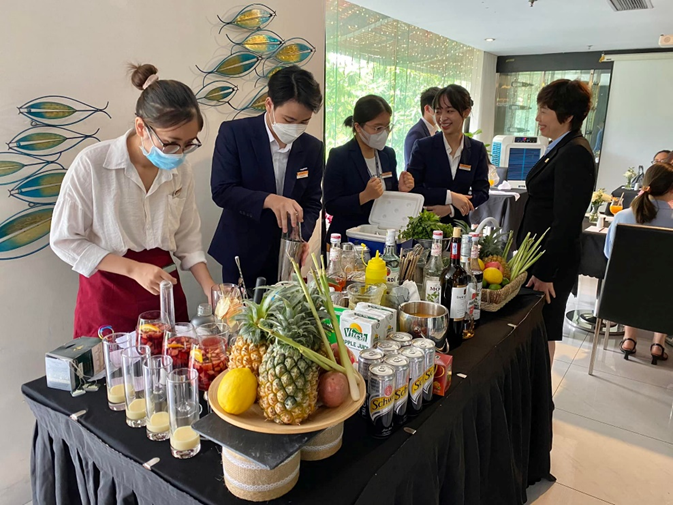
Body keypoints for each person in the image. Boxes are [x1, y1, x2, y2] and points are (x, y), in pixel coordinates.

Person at [50, 64, 216, 338]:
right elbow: (64, 240)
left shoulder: (180, 170)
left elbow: (187, 238)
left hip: (163, 288)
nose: (179, 153)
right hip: (109, 292)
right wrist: (134, 269)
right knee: (114, 363)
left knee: (172, 359)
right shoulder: (93, 164)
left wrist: (210, 288)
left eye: (189, 144)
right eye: (171, 143)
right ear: (141, 127)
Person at [210, 65, 323, 287]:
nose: (296, 127)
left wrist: (300, 238)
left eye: (304, 122)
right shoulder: (235, 133)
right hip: (242, 252)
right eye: (289, 120)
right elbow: (222, 191)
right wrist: (269, 200)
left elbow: (312, 202)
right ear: (269, 104)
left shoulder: (313, 148)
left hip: (285, 257)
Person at [517, 79, 595, 361]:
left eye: (544, 111)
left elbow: (567, 221)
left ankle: (541, 388)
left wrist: (545, 273)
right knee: (535, 330)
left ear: (567, 115)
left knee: (542, 331)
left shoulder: (574, 152)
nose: (537, 118)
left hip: (549, 263)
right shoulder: (562, 146)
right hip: (539, 257)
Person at [605, 162, 673, 363]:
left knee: (631, 278)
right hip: (665, 295)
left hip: (624, 294)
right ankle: (658, 343)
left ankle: (629, 339)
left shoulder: (622, 216)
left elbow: (610, 254)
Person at [323, 95, 414, 242]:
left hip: (381, 236)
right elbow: (331, 205)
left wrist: (401, 190)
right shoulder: (340, 156)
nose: (384, 132)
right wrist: (364, 196)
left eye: (387, 127)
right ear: (358, 127)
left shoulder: (388, 154)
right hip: (349, 237)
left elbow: (389, 196)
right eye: (377, 128)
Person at [407, 84, 490, 224]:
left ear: (466, 112)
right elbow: (413, 189)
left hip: (460, 227)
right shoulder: (423, 147)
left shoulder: (476, 149)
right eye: (438, 112)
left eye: (450, 111)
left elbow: (482, 192)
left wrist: (451, 209)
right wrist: (449, 196)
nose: (442, 118)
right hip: (426, 225)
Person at [404, 87, 440, 167]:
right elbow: (411, 167)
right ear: (427, 109)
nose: (442, 114)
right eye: (438, 109)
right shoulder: (416, 134)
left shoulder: (436, 132)